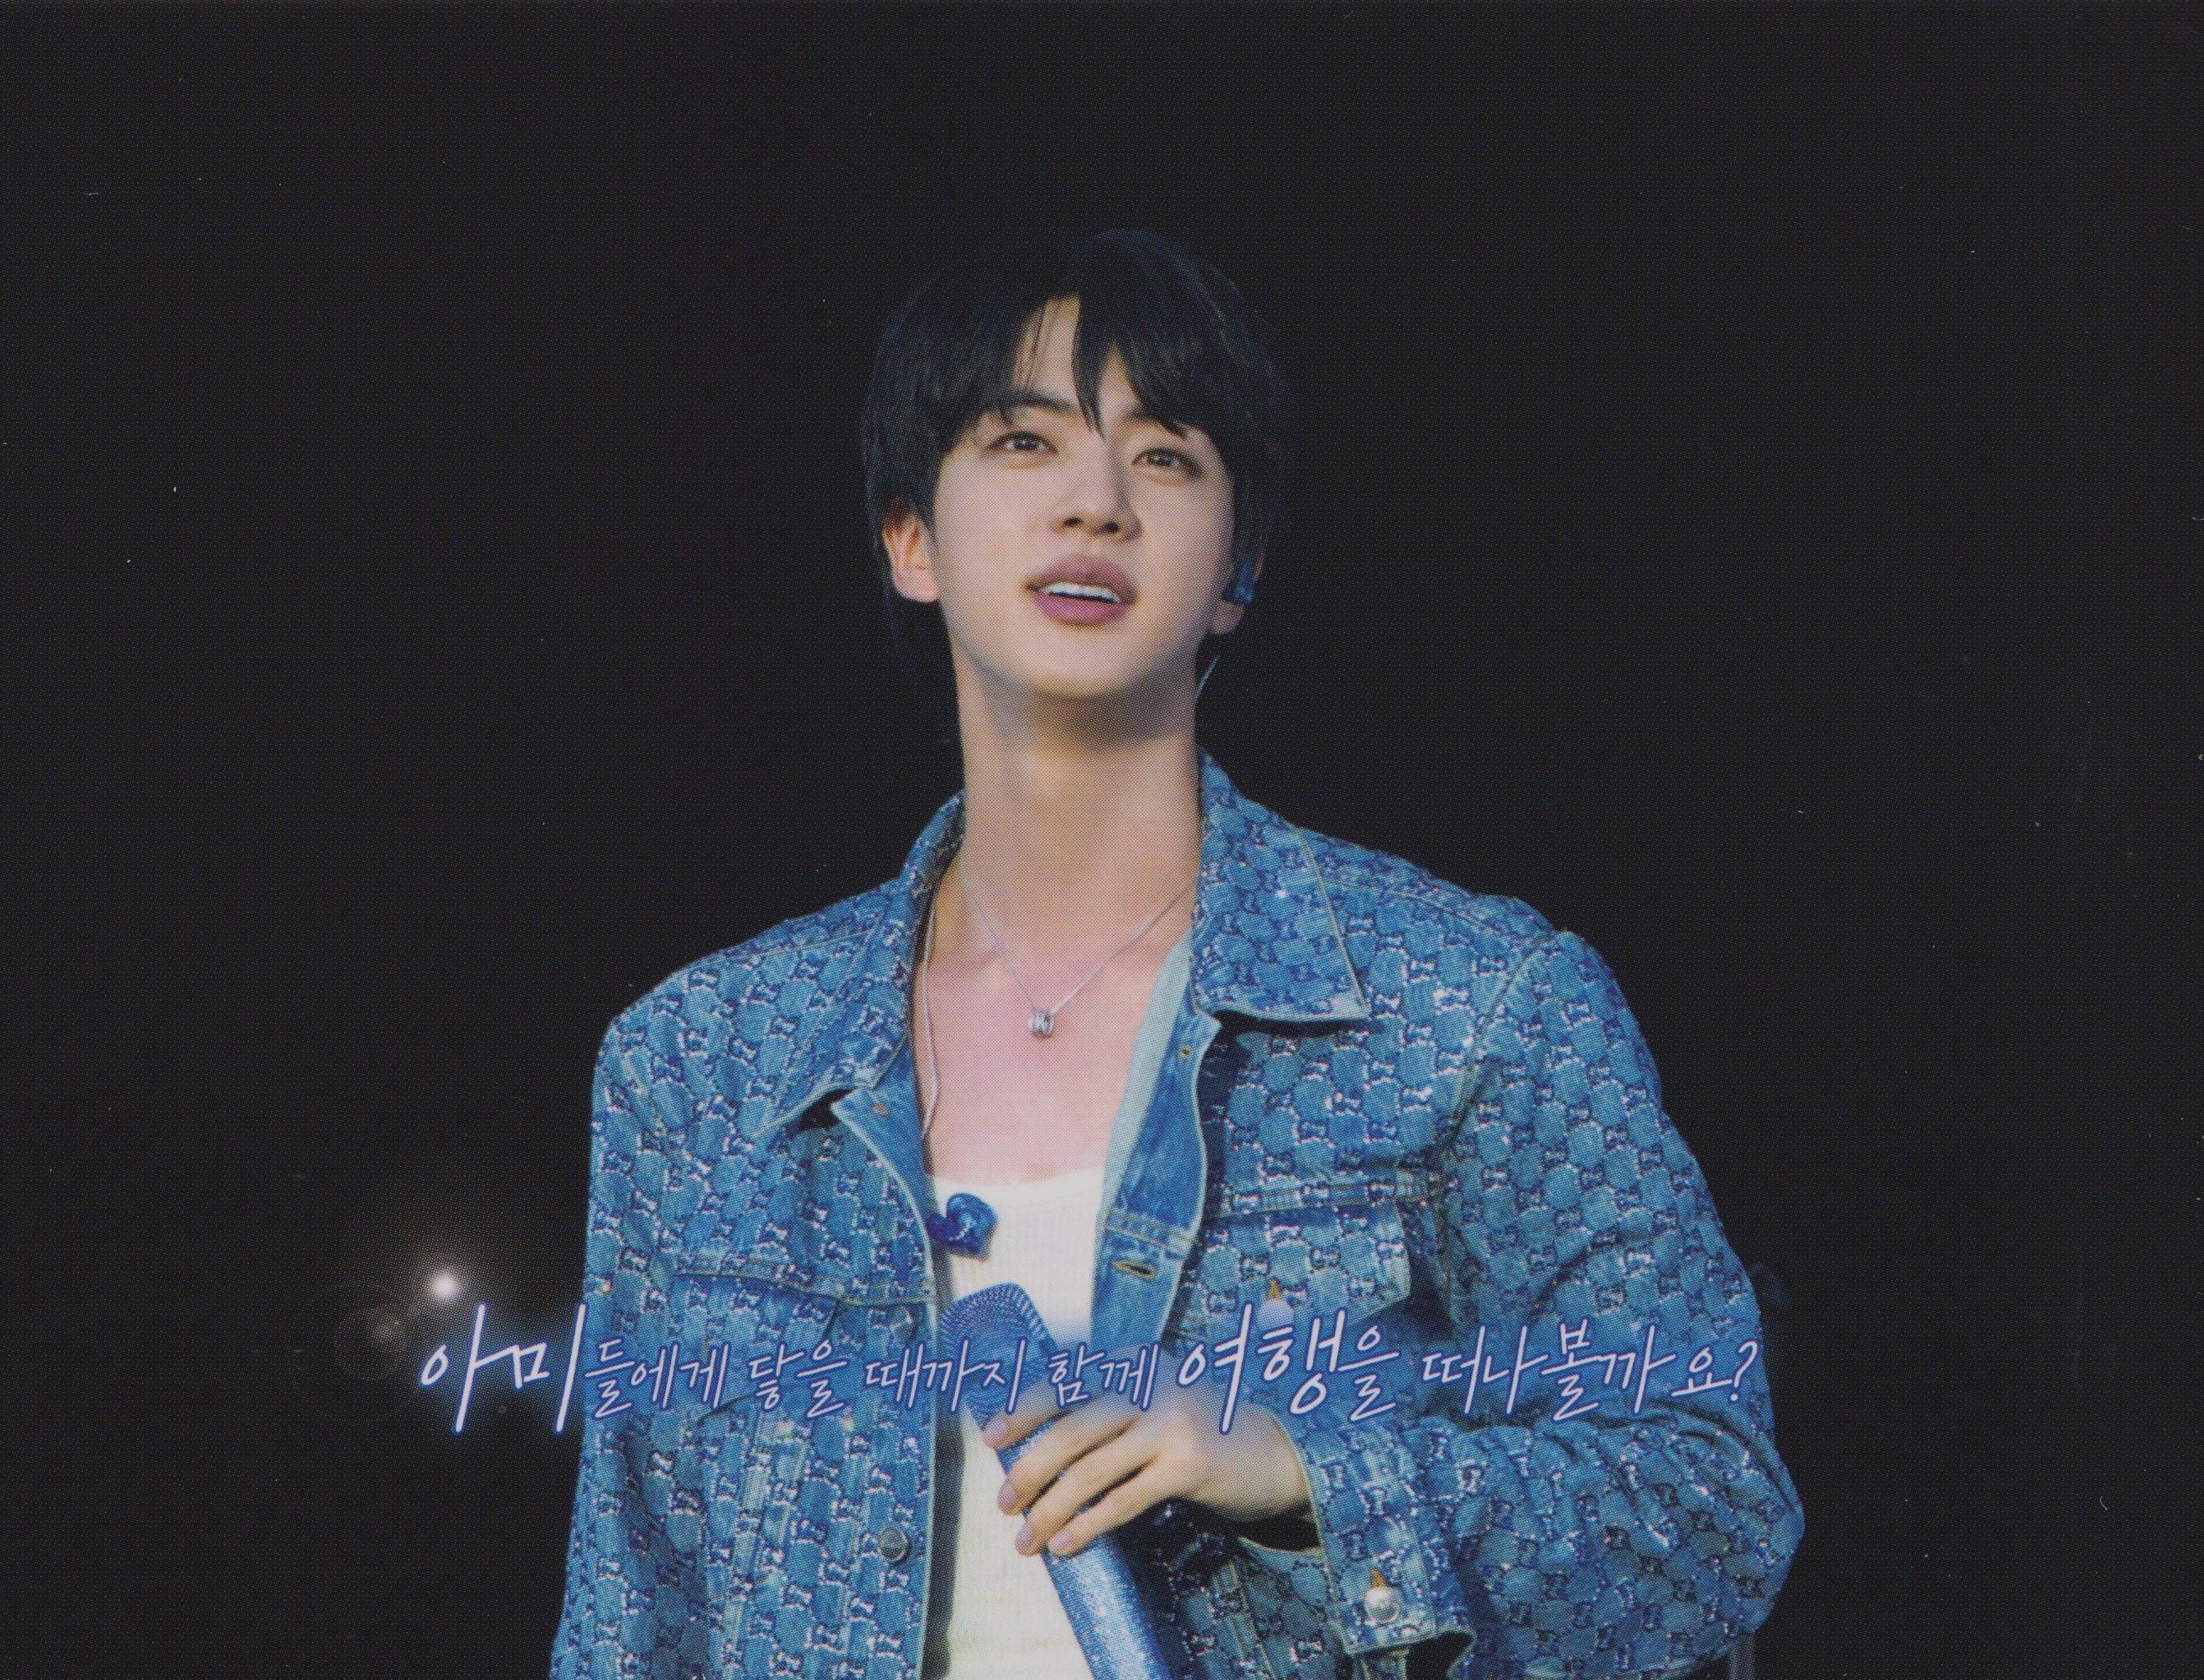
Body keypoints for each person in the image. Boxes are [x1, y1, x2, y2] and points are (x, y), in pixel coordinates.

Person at [552, 228, 1802, 1680]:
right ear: (910, 539)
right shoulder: (699, 1062)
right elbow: (630, 1618)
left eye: (1163, 456)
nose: (1096, 501)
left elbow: (1713, 1509)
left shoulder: (1472, 1006)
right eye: (1024, 441)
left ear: (1238, 571)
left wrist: (1301, 1468)